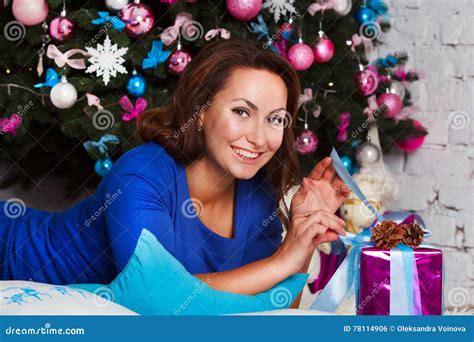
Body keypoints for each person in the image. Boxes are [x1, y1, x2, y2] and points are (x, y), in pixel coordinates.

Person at [0, 38, 350, 306]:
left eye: (275, 119)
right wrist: (285, 258)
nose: (259, 138)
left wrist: (304, 239)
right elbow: (161, 297)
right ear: (200, 111)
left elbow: (272, 311)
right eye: (242, 112)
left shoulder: (258, 194)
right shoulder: (141, 174)